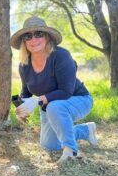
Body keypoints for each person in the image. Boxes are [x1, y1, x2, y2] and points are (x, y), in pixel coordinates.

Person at [10, 16, 98, 163]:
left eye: (38, 34)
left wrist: (37, 101)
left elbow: (66, 92)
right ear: (24, 42)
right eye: (28, 36)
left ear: (47, 37)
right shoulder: (24, 65)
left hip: (78, 100)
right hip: (48, 107)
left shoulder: (61, 55)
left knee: (54, 106)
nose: (33, 39)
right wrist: (22, 109)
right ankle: (86, 130)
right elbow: (26, 92)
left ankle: (71, 152)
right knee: (50, 145)